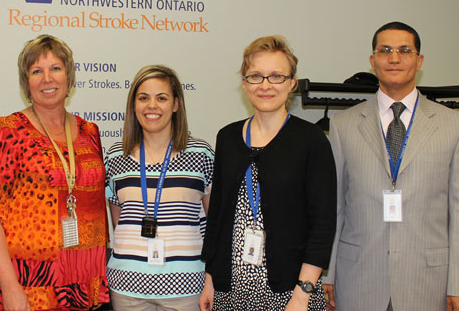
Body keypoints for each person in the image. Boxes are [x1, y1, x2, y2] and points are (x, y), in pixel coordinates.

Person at [323, 22, 459, 311]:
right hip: (357, 277)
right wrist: (329, 273)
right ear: (373, 62)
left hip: (428, 281)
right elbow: (335, 207)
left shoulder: (453, 125)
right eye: (385, 51)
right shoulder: (343, 124)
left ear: (419, 61)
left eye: (404, 50)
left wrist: (456, 283)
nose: (394, 58)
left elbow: (457, 209)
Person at [200, 36, 336, 311]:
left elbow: (322, 223)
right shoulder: (227, 137)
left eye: (276, 76)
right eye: (256, 76)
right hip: (230, 291)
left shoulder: (311, 140)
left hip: (290, 293)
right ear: (244, 82)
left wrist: (303, 293)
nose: (265, 85)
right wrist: (210, 279)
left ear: (292, 82)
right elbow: (217, 216)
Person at [0, 34, 109, 310]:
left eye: (55, 69)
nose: (47, 78)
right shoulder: (8, 130)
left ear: (69, 78)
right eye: (37, 71)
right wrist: (10, 287)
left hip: (85, 283)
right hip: (30, 286)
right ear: (27, 83)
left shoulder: (89, 132)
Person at [105, 65, 214, 310]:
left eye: (161, 98)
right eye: (143, 98)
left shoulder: (201, 154)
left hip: (186, 287)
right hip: (127, 286)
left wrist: (211, 279)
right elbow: (119, 222)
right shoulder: (115, 156)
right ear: (134, 105)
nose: (151, 106)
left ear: (176, 104)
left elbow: (214, 223)